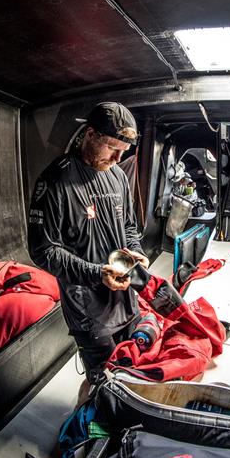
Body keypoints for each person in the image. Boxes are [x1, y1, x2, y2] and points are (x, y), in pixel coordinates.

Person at [28, 102, 149, 387]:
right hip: (89, 311)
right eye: (111, 147)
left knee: (131, 375)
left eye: (124, 151)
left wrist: (138, 253)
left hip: (126, 301)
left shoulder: (118, 175)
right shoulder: (56, 179)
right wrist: (97, 274)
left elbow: (129, 227)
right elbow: (43, 251)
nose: (119, 158)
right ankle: (91, 428)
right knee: (105, 384)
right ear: (90, 134)